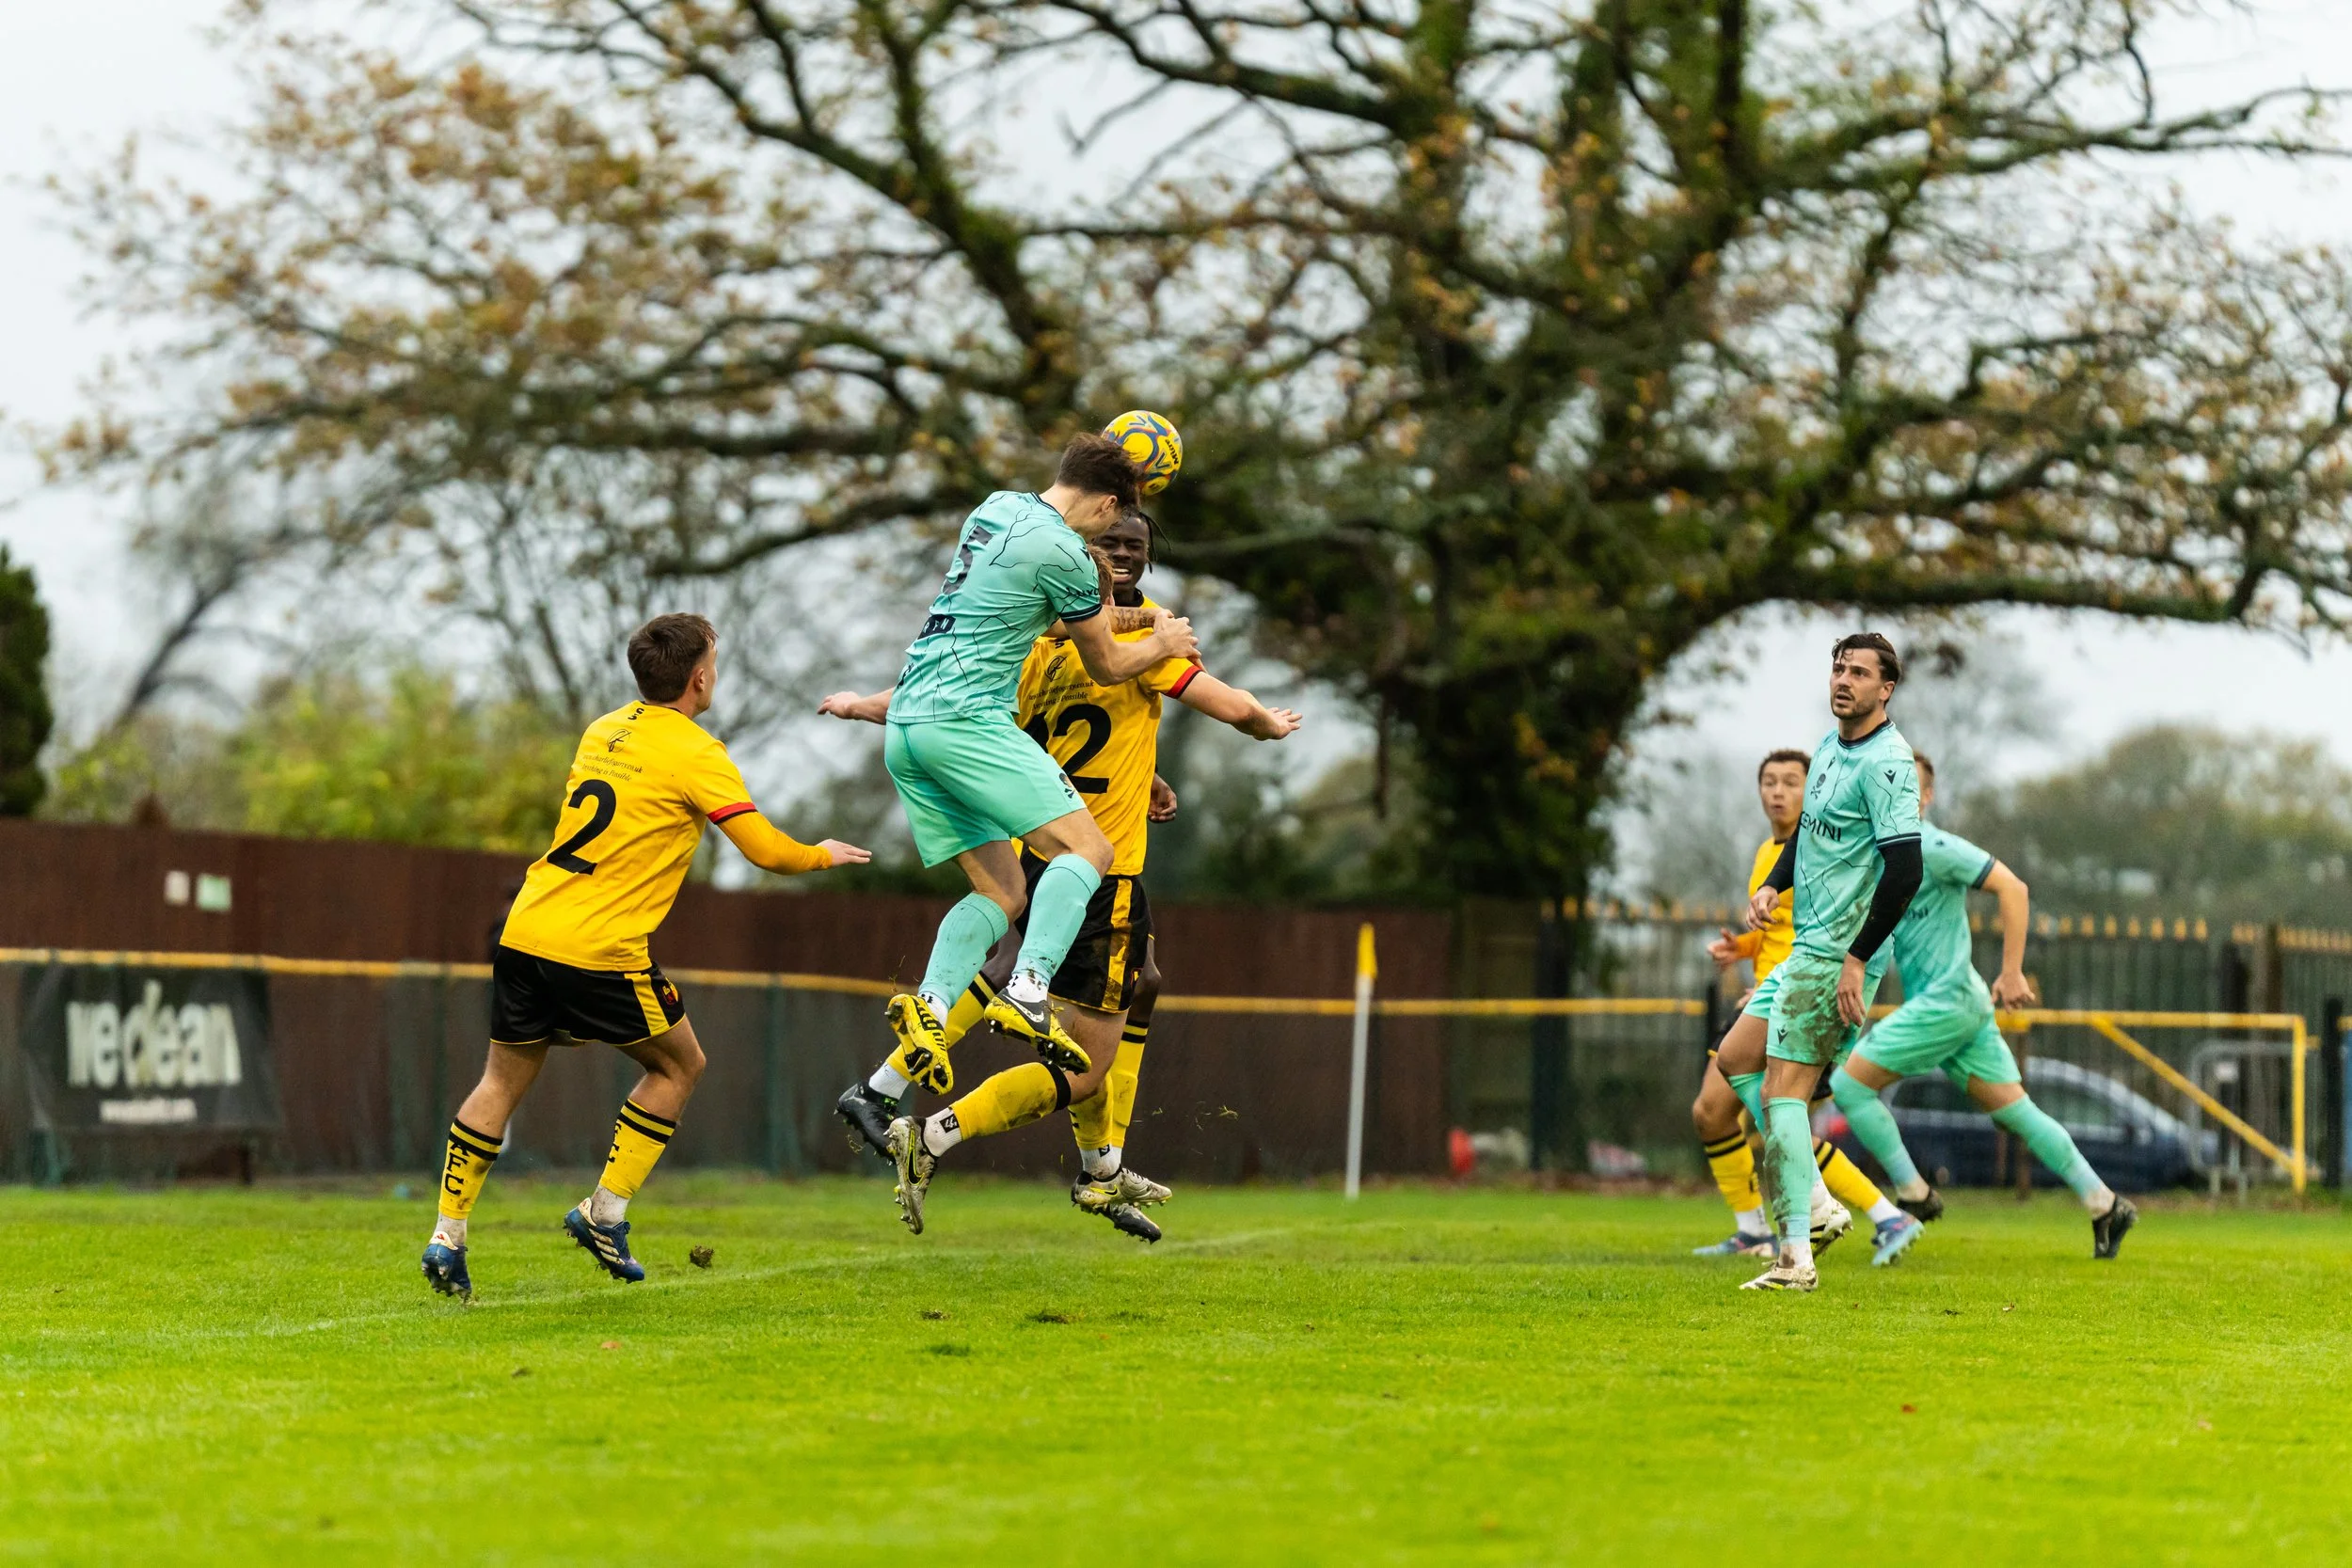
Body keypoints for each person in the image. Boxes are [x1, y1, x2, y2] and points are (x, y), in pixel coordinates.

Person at [821, 508, 1301, 1237]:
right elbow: (1222, 701)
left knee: (1136, 980)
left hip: (1043, 851)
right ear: (1083, 552)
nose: (1122, 553)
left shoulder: (1038, 641)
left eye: (1134, 544)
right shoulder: (1141, 639)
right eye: (1110, 541)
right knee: (1084, 1064)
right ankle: (941, 1133)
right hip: (1100, 870)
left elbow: (962, 707)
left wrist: (864, 706)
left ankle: (1082, 1159)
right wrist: (1266, 721)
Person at [421, 614, 869, 1301]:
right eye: (713, 662)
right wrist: (822, 853)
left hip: (527, 928)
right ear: (698, 677)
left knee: (500, 1082)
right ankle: (603, 1212)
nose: (714, 673)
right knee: (680, 1063)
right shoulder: (696, 751)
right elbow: (766, 852)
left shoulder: (602, 729)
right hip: (598, 948)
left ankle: (446, 1236)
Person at [866, 436, 1199, 1231]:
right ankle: (1025, 994)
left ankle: (924, 1026)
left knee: (999, 891)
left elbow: (1003, 618)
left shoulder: (995, 511)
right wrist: (1167, 642)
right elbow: (1115, 664)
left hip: (911, 724)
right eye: (1119, 530)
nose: (1115, 548)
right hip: (970, 731)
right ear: (1113, 505)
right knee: (1091, 853)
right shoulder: (1071, 563)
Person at [1830, 752, 2137, 1258]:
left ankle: (1913, 1193)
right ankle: (2105, 1203)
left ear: (1925, 798)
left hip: (1948, 1001)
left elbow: (2013, 887)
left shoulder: (1932, 846)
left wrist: (2012, 971)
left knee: (1847, 1085)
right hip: (1959, 1005)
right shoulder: (1880, 857)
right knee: (2017, 1113)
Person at [1712, 633, 1926, 1292]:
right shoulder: (1830, 746)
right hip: (1806, 944)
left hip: (1836, 951)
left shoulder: (1889, 764)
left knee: (1783, 1096)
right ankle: (1818, 1209)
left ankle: (1795, 1257)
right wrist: (1775, 882)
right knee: (1734, 1057)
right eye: (1838, 667)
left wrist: (1858, 959)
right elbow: (1807, 832)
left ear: (1885, 689)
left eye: (1859, 672)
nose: (1843, 679)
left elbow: (1906, 869)